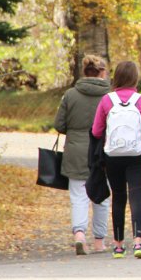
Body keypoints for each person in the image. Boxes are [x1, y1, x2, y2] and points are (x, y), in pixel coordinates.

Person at [91, 60, 141, 259]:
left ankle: (118, 245)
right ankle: (138, 242)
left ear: (116, 77)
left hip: (113, 156)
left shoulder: (106, 100)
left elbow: (96, 131)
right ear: (135, 78)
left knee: (118, 196)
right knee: (136, 196)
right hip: (137, 155)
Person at [54, 54, 111, 255]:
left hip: (76, 152)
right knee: (102, 196)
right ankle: (99, 242)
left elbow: (59, 124)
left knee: (78, 196)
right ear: (102, 72)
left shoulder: (70, 95)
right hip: (102, 151)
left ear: (84, 72)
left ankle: (79, 235)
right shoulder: (109, 96)